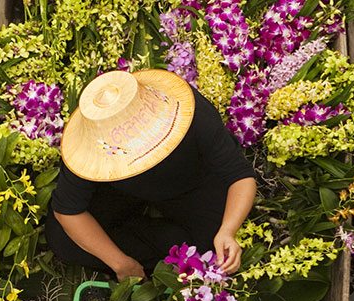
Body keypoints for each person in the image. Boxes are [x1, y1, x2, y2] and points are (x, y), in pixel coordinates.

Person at [48, 69, 257, 280]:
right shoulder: (89, 144)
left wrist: (228, 231)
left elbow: (240, 176)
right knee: (62, 238)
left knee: (211, 247)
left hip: (189, 183)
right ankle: (142, 240)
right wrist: (120, 263)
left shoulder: (190, 111)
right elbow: (68, 211)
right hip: (122, 190)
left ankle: (160, 244)